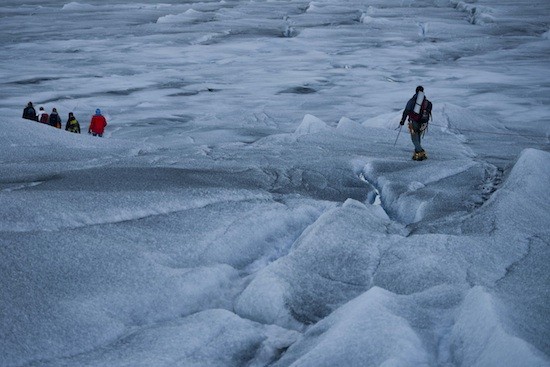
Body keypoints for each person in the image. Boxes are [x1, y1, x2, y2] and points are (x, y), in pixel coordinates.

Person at [399, 86, 432, 161]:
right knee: (418, 137)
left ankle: (420, 152)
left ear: (416, 91)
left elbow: (406, 111)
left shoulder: (412, 100)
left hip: (413, 122)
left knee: (414, 138)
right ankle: (417, 154)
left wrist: (402, 121)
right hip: (423, 122)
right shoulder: (426, 102)